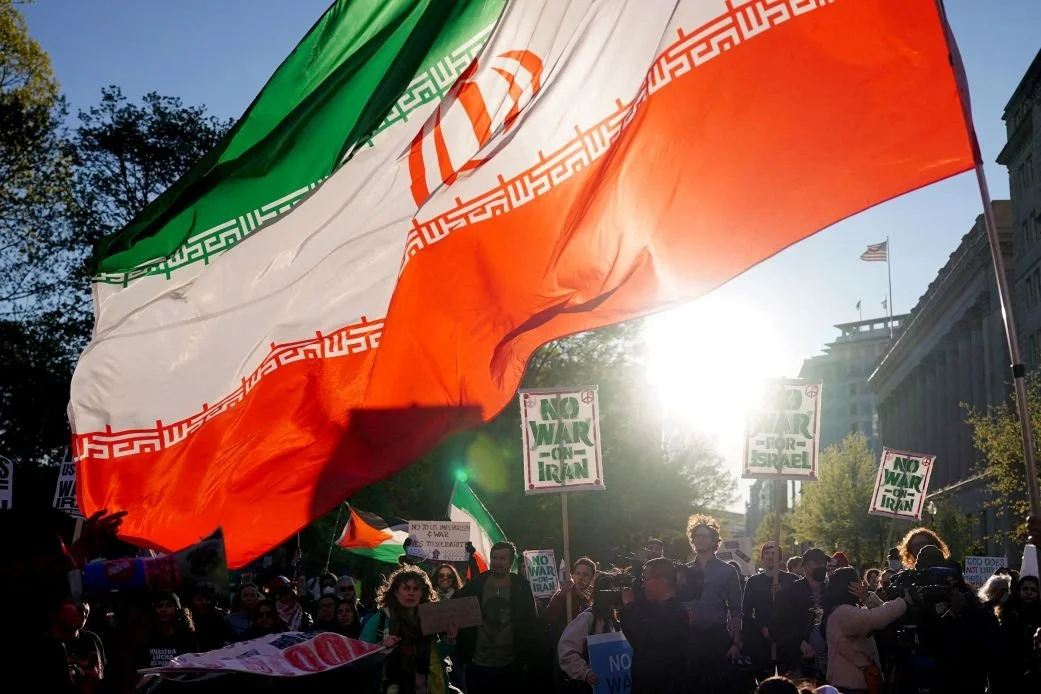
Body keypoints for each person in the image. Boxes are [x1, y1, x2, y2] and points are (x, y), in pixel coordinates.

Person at [454, 541, 543, 693]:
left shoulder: (521, 586)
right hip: (478, 664)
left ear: (510, 562)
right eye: (494, 558)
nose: (497, 562)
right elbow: (458, 607)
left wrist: (527, 660)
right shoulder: (479, 582)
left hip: (511, 665)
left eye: (502, 558)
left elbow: (531, 624)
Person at [360, 565, 457, 694]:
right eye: (406, 588)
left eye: (416, 589)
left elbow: (438, 656)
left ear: (422, 593)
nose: (411, 593)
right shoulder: (380, 619)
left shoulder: (429, 618)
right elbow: (360, 656)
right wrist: (381, 647)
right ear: (395, 591)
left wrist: (449, 639)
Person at [823, 567, 909, 693]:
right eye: (859, 581)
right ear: (850, 586)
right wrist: (903, 602)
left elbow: (881, 612)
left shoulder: (845, 609)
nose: (863, 584)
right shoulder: (843, 612)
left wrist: (866, 597)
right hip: (850, 687)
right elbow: (875, 618)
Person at [682, 514, 743, 693]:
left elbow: (736, 609)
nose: (700, 539)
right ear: (692, 540)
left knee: (716, 687)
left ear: (714, 540)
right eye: (697, 536)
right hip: (689, 638)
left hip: (717, 637)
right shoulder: (683, 571)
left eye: (705, 536)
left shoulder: (728, 571)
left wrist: (736, 643)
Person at [621, 558, 689, 694]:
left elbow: (641, 640)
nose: (642, 585)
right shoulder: (657, 607)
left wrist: (629, 606)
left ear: (662, 581)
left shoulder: (673, 611)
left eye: (645, 579)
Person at [557, 573, 621, 693]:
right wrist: (585, 672)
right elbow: (566, 650)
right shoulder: (587, 619)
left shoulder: (616, 620)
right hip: (590, 686)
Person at [771, 548, 829, 680]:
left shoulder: (830, 592)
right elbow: (777, 628)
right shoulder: (789, 594)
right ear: (806, 567)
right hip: (799, 663)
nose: (822, 567)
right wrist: (799, 643)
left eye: (824, 563)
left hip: (829, 662)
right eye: (817, 563)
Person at [743, 541, 796, 681]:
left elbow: (798, 608)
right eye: (766, 553)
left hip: (787, 641)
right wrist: (760, 628)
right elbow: (747, 612)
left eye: (774, 553)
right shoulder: (753, 582)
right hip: (761, 641)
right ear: (762, 557)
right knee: (764, 682)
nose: (770, 556)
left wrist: (783, 593)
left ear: (780, 557)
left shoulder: (792, 580)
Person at [545, 557, 597, 645]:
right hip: (566, 644)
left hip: (587, 644)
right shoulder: (565, 594)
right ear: (573, 575)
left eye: (585, 575)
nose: (581, 577)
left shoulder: (595, 597)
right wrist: (562, 594)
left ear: (592, 578)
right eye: (578, 573)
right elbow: (549, 617)